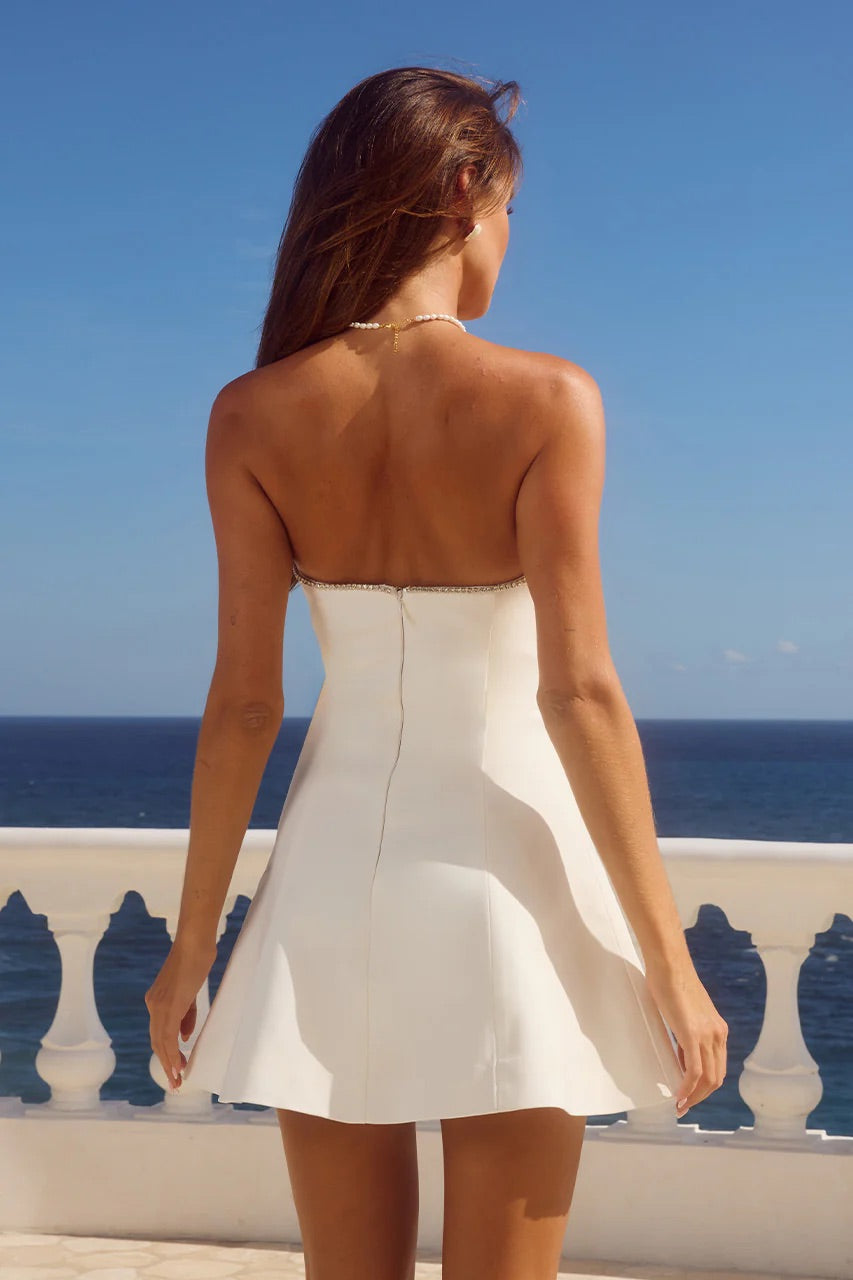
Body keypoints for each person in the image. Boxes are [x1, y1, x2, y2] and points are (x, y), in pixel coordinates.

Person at [146, 65, 728, 1280]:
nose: (508, 240)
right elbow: (578, 694)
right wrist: (669, 965)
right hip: (510, 894)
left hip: (328, 892)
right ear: (466, 191)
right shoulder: (547, 401)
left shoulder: (250, 414)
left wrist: (191, 948)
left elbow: (245, 702)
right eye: (509, 210)